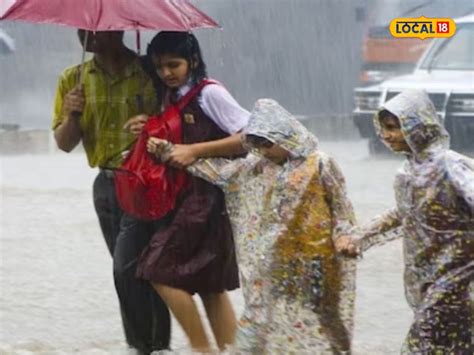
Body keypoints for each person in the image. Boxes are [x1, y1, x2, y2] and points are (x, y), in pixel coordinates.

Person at [149, 98, 359, 354]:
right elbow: (215, 171)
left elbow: (342, 210)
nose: (264, 150)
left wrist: (346, 238)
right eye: (256, 144)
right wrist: (168, 151)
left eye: (267, 143)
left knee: (327, 317)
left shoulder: (320, 164)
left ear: (285, 134)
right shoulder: (255, 167)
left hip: (317, 260)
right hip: (272, 261)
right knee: (256, 318)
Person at [130, 31, 250, 353]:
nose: (167, 73)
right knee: (211, 286)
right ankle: (231, 350)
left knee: (156, 270)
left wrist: (195, 150)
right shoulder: (173, 96)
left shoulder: (210, 94)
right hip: (185, 198)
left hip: (209, 199)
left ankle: (202, 350)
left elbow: (251, 136)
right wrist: (150, 128)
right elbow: (175, 142)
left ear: (193, 61)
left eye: (174, 64)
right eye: (160, 67)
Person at [52, 30, 170, 354]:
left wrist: (153, 124)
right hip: (105, 185)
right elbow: (64, 144)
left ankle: (144, 346)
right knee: (134, 271)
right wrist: (72, 114)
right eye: (80, 29)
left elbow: (175, 121)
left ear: (117, 29)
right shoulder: (73, 78)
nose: (85, 36)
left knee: (127, 269)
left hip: (145, 180)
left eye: (93, 29)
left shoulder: (150, 71)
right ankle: (154, 345)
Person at [357, 90, 474, 354]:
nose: (385, 135)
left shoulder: (449, 165)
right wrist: (361, 235)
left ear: (418, 125)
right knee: (456, 345)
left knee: (421, 344)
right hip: (424, 275)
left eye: (393, 127)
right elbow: (403, 212)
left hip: (456, 276)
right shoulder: (407, 171)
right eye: (383, 128)